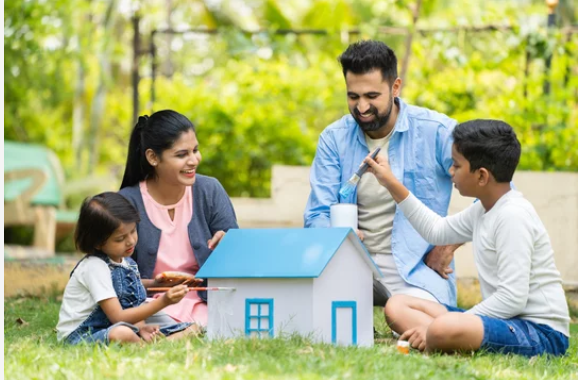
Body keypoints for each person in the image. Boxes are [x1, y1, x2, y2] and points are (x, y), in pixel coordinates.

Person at [364, 119, 570, 356]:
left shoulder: (513, 215)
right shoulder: (483, 208)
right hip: (501, 321)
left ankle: (439, 336)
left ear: (481, 176)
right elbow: (436, 230)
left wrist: (443, 325)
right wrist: (389, 181)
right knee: (397, 305)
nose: (450, 171)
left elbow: (513, 299)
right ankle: (441, 337)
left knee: (444, 326)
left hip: (539, 333)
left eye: (456, 166)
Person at [304, 40, 460, 306]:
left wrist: (447, 245)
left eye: (372, 96)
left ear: (395, 87)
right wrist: (338, 234)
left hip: (416, 270)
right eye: (353, 96)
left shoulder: (436, 131)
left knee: (413, 321)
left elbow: (493, 189)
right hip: (349, 265)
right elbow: (317, 214)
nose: (362, 107)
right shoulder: (333, 139)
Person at [119, 110, 238, 327]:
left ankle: (190, 328)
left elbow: (238, 262)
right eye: (182, 154)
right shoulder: (128, 201)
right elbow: (116, 275)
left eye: (195, 150)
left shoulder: (209, 190)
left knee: (225, 320)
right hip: (152, 304)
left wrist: (229, 245)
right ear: (153, 157)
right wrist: (155, 284)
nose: (194, 160)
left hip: (207, 301)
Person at [56, 192, 197, 345]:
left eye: (133, 231)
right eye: (120, 238)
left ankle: (153, 337)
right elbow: (117, 316)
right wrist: (164, 301)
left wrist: (156, 285)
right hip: (82, 335)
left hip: (112, 325)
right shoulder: (94, 267)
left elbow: (123, 290)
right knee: (122, 333)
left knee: (190, 326)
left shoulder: (124, 261)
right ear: (97, 243)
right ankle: (149, 346)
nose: (130, 241)